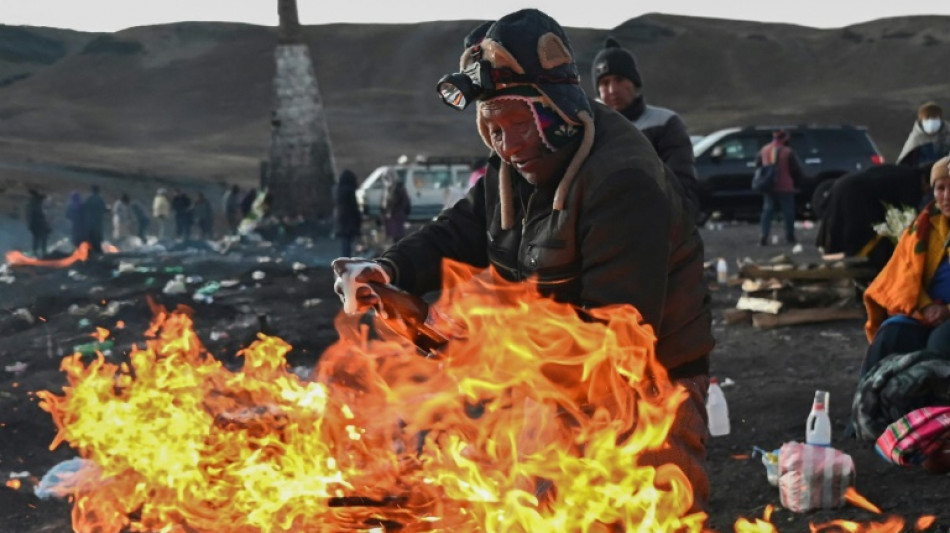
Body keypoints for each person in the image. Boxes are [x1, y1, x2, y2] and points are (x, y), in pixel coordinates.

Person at [332, 9, 713, 511]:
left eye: (519, 123)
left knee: (640, 516)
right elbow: (462, 227)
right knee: (546, 511)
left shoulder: (622, 180)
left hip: (650, 392)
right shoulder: (516, 163)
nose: (507, 145)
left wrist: (472, 338)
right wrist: (387, 270)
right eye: (492, 126)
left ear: (559, 110)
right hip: (555, 380)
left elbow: (614, 340)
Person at [591, 36, 700, 221]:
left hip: (653, 225)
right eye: (604, 82)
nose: (612, 89)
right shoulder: (587, 129)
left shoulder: (665, 123)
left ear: (633, 82)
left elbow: (681, 184)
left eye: (619, 79)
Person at [861, 156, 950, 377]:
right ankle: (868, 404)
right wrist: (926, 306)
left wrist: (946, 311)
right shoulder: (922, 229)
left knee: (941, 342)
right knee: (892, 333)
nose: (947, 196)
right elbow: (902, 276)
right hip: (923, 310)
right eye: (941, 188)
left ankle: (935, 409)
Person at [755, 130, 804, 246]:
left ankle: (764, 234)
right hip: (785, 185)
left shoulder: (764, 150)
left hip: (768, 186)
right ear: (785, 139)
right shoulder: (788, 152)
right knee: (788, 212)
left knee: (767, 211)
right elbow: (796, 169)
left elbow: (758, 165)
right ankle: (790, 236)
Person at [896, 101, 950, 169]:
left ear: (940, 119)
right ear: (921, 120)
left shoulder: (948, 135)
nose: (931, 122)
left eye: (935, 118)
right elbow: (904, 162)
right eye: (927, 118)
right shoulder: (916, 138)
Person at [334, 169, 363, 257]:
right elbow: (354, 206)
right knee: (350, 242)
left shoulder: (338, 190)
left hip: (342, 219)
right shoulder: (350, 191)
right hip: (350, 219)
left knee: (344, 242)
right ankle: (349, 260)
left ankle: (345, 259)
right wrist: (358, 219)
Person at [380, 170, 411, 245]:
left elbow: (405, 203)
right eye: (385, 179)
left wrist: (404, 214)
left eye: (387, 178)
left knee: (398, 239)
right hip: (389, 218)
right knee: (391, 239)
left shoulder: (398, 188)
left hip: (397, 217)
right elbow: (383, 205)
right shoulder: (387, 189)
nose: (386, 181)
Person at [26, 188, 51, 258]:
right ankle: (41, 252)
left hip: (36, 225)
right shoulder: (37, 205)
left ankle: (37, 252)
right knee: (42, 239)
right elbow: (43, 217)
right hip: (39, 225)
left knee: (37, 239)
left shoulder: (33, 204)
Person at [83, 185, 108, 253]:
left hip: (89, 222)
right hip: (97, 222)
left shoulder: (89, 198)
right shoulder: (100, 199)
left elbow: (84, 208)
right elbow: (104, 209)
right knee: (97, 237)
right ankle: (97, 251)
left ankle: (89, 251)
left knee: (90, 237)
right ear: (98, 191)